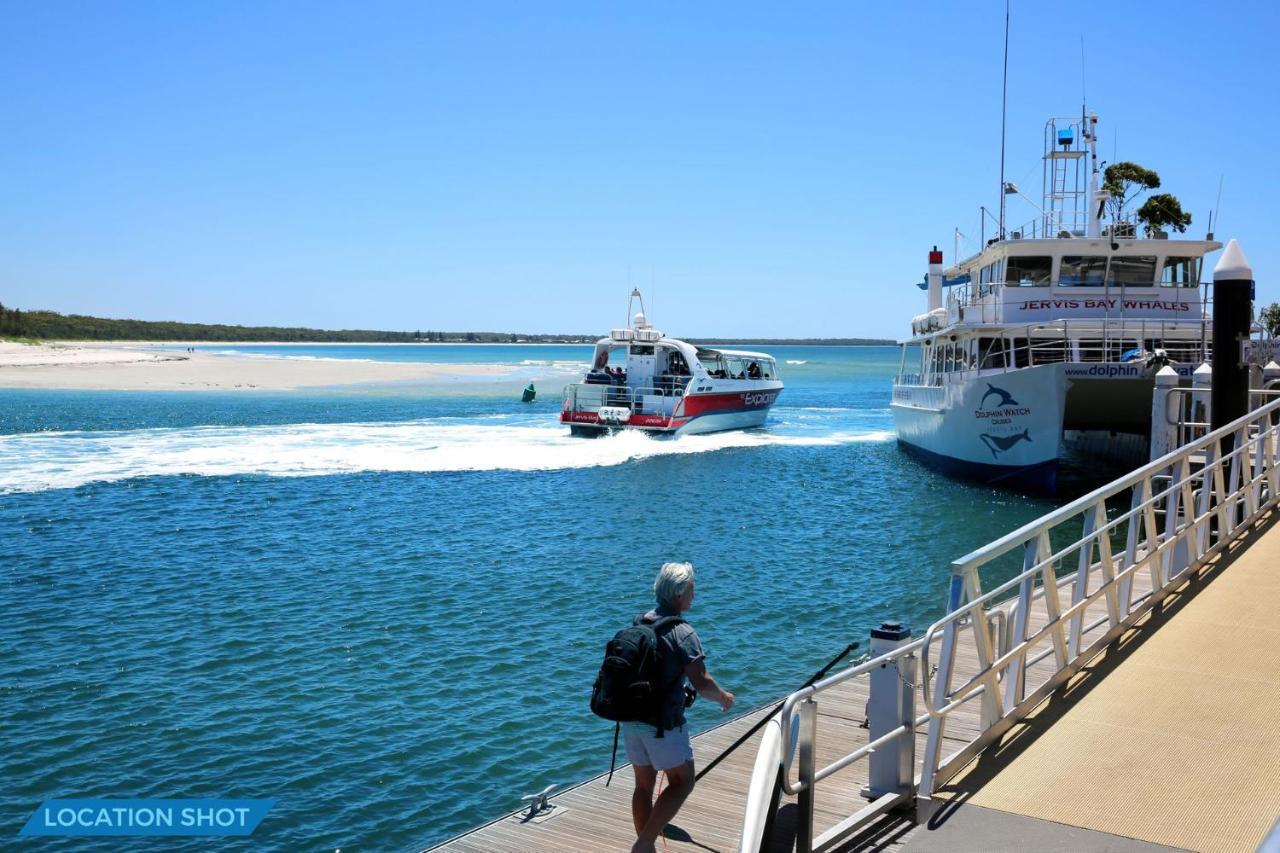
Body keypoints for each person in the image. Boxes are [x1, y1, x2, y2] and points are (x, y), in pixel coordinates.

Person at [626, 562, 734, 853]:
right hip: (662, 724)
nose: (694, 595)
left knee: (643, 786)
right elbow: (701, 681)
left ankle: (644, 846)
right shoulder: (682, 632)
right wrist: (723, 697)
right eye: (691, 589)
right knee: (683, 781)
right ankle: (644, 843)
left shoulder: (639, 623)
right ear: (679, 594)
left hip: (630, 718)